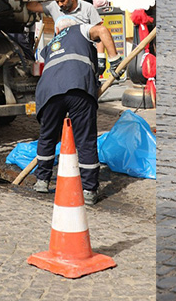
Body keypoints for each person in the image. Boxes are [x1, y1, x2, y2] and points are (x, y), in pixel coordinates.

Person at [31, 17, 121, 205]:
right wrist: (114, 60)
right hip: (78, 88)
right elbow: (102, 31)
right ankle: (88, 190)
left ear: (57, 31)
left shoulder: (49, 46)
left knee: (47, 137)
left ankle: (42, 181)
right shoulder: (79, 29)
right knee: (85, 140)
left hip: (48, 93)